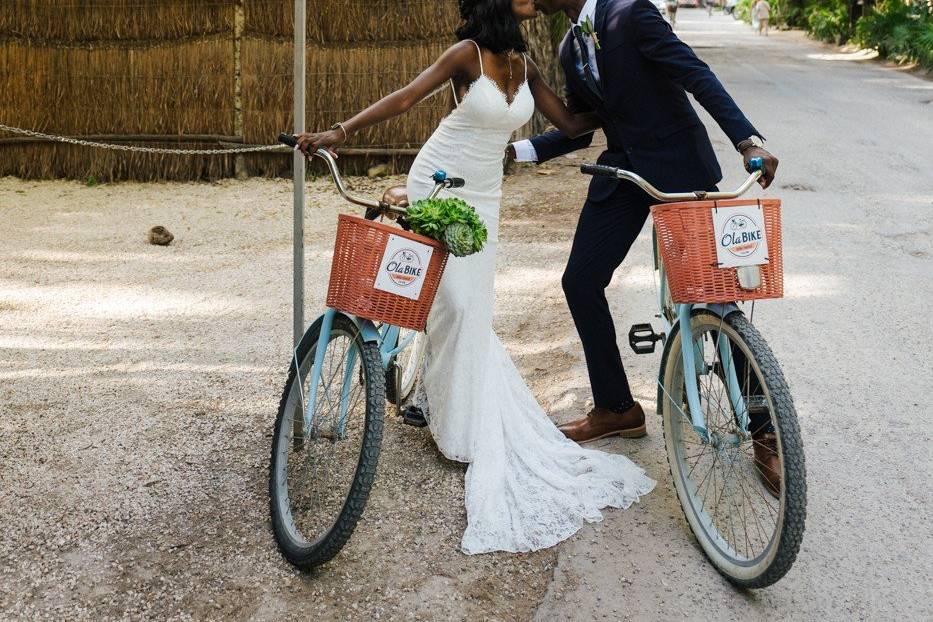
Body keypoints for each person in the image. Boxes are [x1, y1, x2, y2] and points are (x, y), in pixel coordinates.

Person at [295, 0, 655, 555]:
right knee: (456, 305)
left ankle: (446, 412)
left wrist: (630, 106)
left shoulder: (524, 62)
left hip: (487, 196)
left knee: (469, 308)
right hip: (440, 179)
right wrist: (340, 130)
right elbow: (406, 97)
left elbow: (571, 123)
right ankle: (450, 422)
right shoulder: (467, 55)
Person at [508, 0, 781, 494]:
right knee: (580, 281)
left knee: (716, 298)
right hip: (624, 175)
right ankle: (617, 409)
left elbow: (695, 74)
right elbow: (582, 124)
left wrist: (747, 141)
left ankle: (764, 431)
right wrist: (523, 150)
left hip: (680, 167)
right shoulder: (572, 48)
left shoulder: (630, 12)